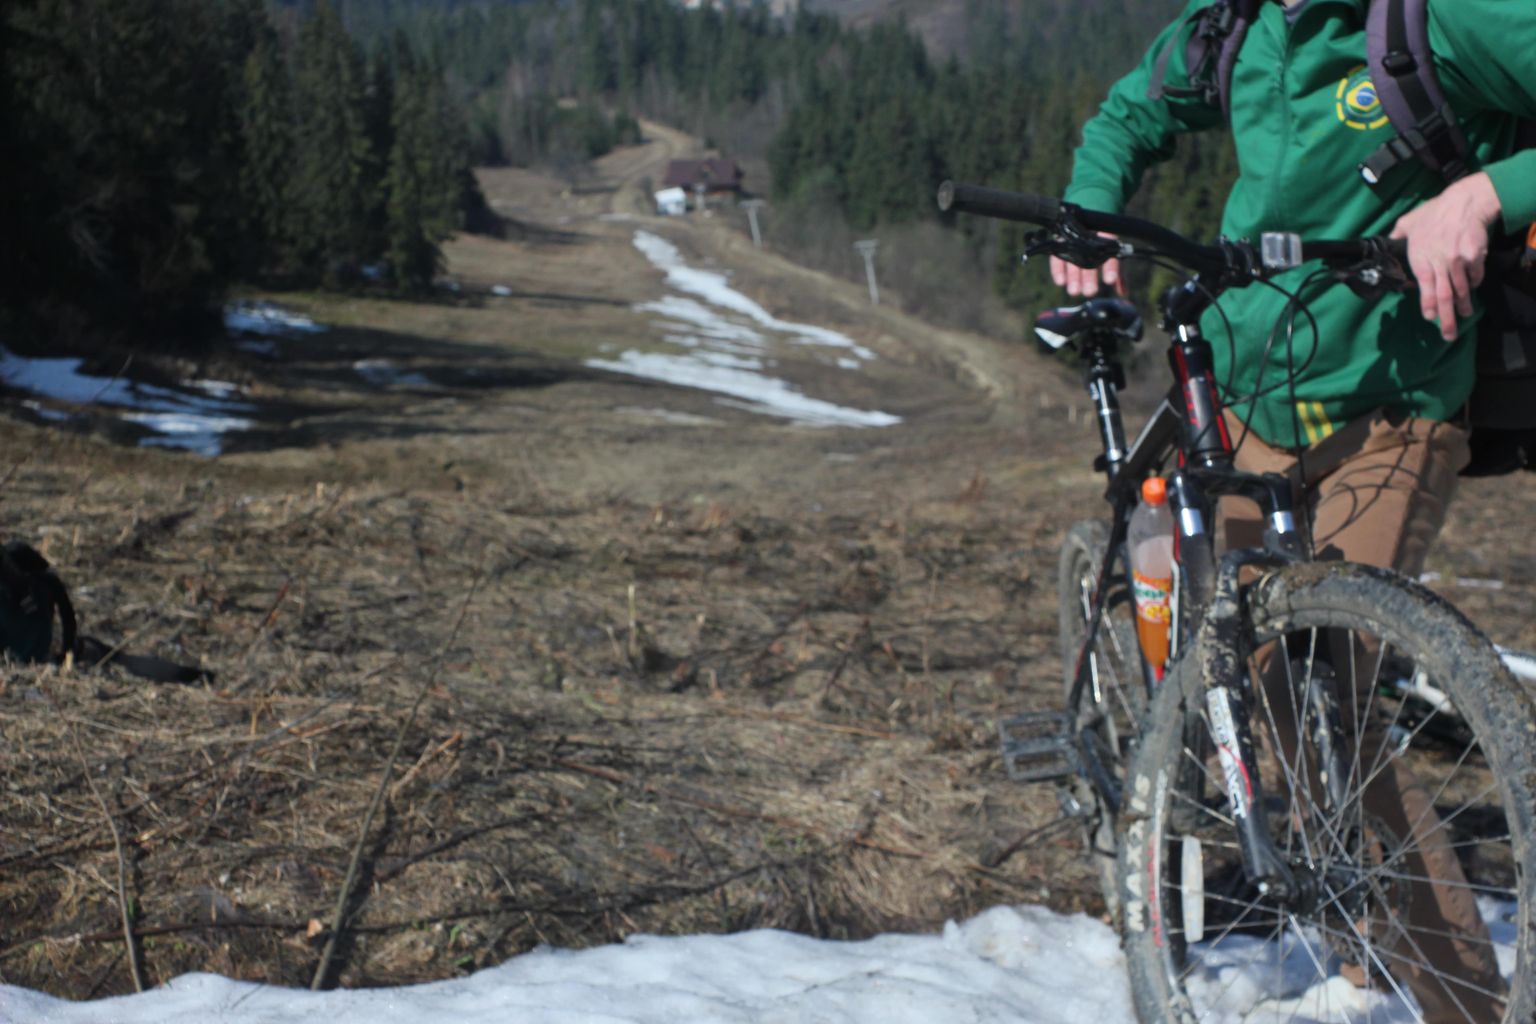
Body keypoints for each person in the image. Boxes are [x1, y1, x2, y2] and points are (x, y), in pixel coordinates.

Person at [1051, 0, 1536, 1019]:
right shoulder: (1237, 24)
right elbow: (1134, 109)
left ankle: (1463, 1002)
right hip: (1241, 393)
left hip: (1392, 406)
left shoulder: (1437, 18)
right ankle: (1358, 925)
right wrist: (1092, 208)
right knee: (1259, 675)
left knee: (1327, 690)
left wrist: (1486, 193)